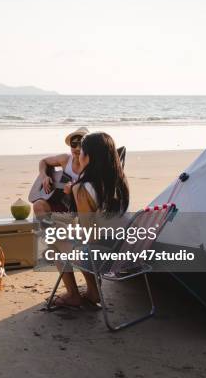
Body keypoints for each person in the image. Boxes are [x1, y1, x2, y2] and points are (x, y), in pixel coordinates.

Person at [50, 132, 130, 308]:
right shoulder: (120, 181)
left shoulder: (82, 187)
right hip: (127, 252)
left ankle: (73, 295)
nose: (79, 154)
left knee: (53, 238)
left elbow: (89, 236)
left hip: (104, 257)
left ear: (89, 156)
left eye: (82, 151)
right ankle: (93, 292)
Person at [33, 127, 89, 216]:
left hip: (83, 206)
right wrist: (44, 176)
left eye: (81, 144)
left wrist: (75, 190)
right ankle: (48, 229)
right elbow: (43, 161)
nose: (77, 148)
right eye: (74, 144)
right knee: (38, 205)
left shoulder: (92, 164)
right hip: (63, 203)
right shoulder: (65, 159)